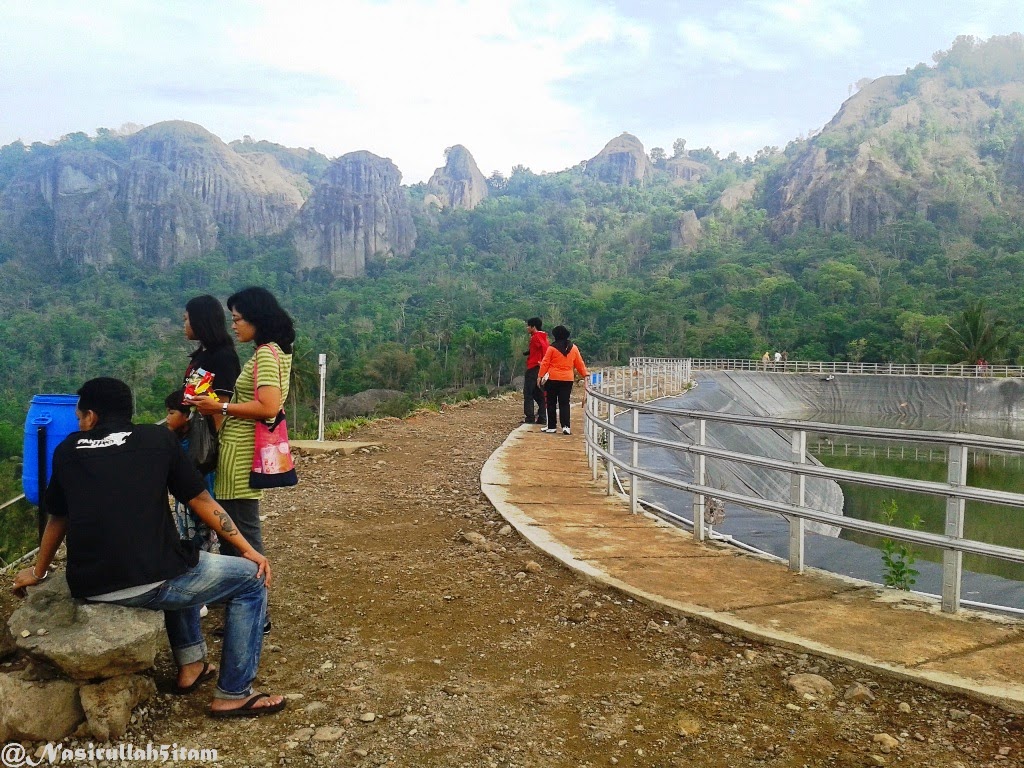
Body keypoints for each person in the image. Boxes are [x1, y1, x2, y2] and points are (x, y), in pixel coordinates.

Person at [11, 378, 285, 718]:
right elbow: (201, 500)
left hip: (92, 585)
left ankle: (191, 666)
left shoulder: (68, 450)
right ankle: (233, 692)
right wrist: (249, 551)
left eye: (80, 417)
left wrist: (37, 572)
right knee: (249, 580)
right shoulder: (158, 440)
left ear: (92, 417)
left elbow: (58, 519)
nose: (80, 424)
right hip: (148, 581)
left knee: (184, 556)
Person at [191, 287, 294, 634]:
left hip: (242, 452)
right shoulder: (276, 351)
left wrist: (217, 406)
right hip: (243, 450)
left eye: (237, 319)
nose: (233, 326)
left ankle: (255, 614)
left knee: (243, 535)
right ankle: (246, 605)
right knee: (239, 532)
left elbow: (268, 407)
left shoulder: (265, 355)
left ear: (255, 319)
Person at [165, 390, 216, 552]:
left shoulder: (191, 450)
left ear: (187, 416)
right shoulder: (181, 444)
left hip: (198, 509)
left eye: (171, 413)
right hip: (187, 506)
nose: (167, 418)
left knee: (199, 547)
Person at [182, 295, 241, 422]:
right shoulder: (201, 355)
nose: (184, 325)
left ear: (199, 321)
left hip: (208, 434)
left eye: (186, 319)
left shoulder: (223, 356)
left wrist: (215, 439)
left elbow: (221, 406)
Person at [539, 325, 588, 435]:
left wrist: (540, 376)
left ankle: (552, 426)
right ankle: (566, 427)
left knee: (551, 402)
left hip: (553, 378)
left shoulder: (552, 348)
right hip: (567, 379)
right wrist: (585, 374)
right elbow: (579, 363)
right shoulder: (574, 348)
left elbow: (545, 363)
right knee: (564, 403)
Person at [523, 317, 549, 425]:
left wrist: (541, 361)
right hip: (540, 368)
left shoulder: (535, 337)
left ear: (533, 327)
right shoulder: (543, 337)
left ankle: (530, 417)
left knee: (528, 393)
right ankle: (542, 417)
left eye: (528, 326)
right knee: (538, 393)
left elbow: (544, 349)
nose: (527, 328)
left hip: (534, 367)